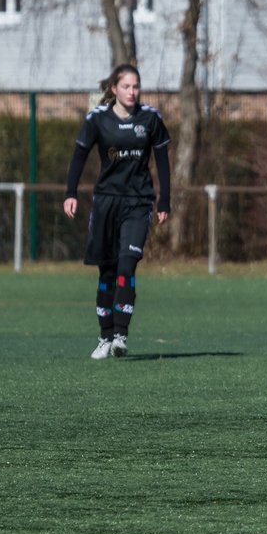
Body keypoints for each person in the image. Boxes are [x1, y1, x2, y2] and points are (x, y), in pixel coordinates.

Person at [62, 63, 170, 360]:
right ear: (114, 89)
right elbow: (79, 155)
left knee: (127, 264)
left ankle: (121, 335)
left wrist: (165, 201)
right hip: (106, 202)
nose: (132, 92)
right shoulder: (98, 120)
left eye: (136, 86)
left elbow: (162, 160)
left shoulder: (150, 119)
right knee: (107, 270)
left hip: (138, 202)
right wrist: (70, 193)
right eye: (126, 86)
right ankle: (105, 336)